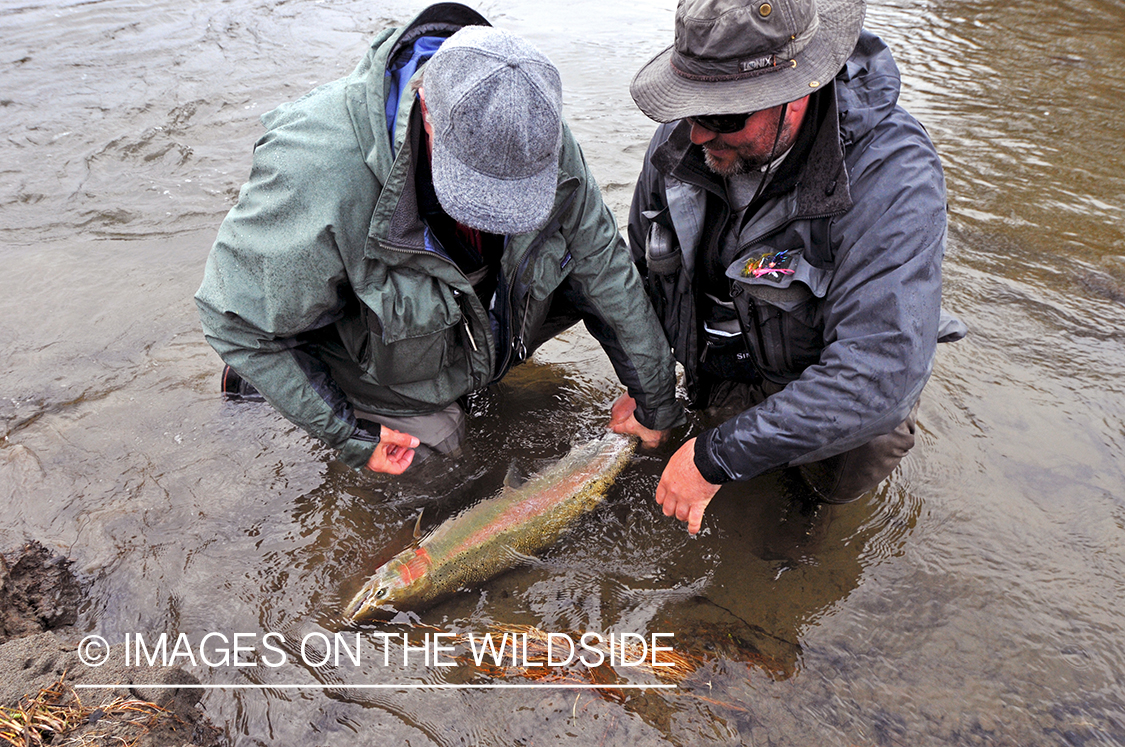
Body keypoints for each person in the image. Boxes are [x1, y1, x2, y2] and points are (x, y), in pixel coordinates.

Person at [195, 4, 682, 476]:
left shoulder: (532, 128)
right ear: (426, 108)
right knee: (435, 457)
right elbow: (235, 322)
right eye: (475, 189)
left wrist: (655, 404)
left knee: (581, 273)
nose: (494, 219)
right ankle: (267, 383)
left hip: (460, 317)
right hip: (368, 343)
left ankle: (465, 373)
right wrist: (350, 434)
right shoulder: (315, 170)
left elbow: (604, 269)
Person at [613, 0, 966, 533]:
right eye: (689, 107)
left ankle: (810, 514)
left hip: (819, 384)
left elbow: (879, 371)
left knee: (857, 455)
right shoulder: (684, 140)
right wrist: (648, 382)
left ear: (797, 94)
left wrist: (715, 457)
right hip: (723, 361)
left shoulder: (894, 177)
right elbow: (638, 272)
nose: (699, 134)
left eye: (722, 115)